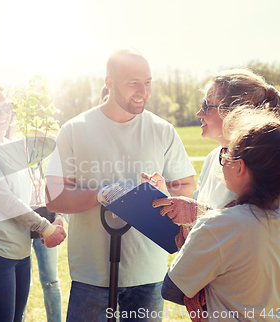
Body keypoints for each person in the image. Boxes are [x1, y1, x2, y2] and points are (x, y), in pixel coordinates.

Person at [45, 48, 196, 322]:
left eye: (148, 82)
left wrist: (166, 192)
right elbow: (54, 197)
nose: (143, 91)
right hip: (91, 274)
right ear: (109, 82)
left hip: (146, 273)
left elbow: (185, 186)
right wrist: (100, 194)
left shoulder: (162, 130)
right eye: (133, 83)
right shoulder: (74, 130)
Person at [152, 69, 280, 320]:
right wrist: (176, 207)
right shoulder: (210, 160)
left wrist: (200, 214)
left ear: (235, 111)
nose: (199, 113)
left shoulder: (270, 169)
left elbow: (260, 235)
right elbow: (209, 235)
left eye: (207, 106)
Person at [0, 83, 66, 322]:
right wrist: (44, 228)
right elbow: (4, 200)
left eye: (7, 107)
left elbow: (30, 193)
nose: (4, 114)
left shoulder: (11, 145)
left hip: (22, 253)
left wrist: (54, 216)